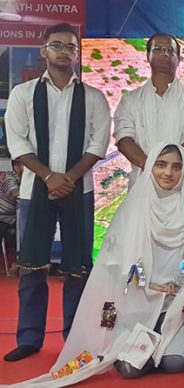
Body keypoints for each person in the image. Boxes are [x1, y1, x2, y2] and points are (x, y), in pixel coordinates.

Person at [13, 143, 184, 386]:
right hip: (137, 306)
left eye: (176, 167)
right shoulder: (134, 207)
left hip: (177, 309)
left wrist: (181, 286)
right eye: (161, 165)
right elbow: (117, 266)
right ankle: (149, 346)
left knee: (175, 363)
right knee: (130, 368)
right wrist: (148, 284)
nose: (168, 173)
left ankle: (166, 344)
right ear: (150, 166)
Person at [4, 23, 111, 362]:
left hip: (80, 190)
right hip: (34, 190)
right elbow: (18, 144)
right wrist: (49, 176)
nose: (65, 51)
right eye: (57, 45)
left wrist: (68, 178)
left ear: (77, 53)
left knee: (78, 266)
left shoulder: (93, 96)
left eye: (71, 46)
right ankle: (29, 338)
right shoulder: (23, 94)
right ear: (43, 50)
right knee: (32, 265)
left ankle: (74, 336)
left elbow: (99, 143)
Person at [114, 32, 184, 193]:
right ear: (148, 56)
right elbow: (124, 139)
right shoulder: (130, 100)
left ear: (178, 59)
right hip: (143, 183)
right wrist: (152, 167)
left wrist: (170, 167)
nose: (165, 54)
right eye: (158, 49)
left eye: (170, 50)